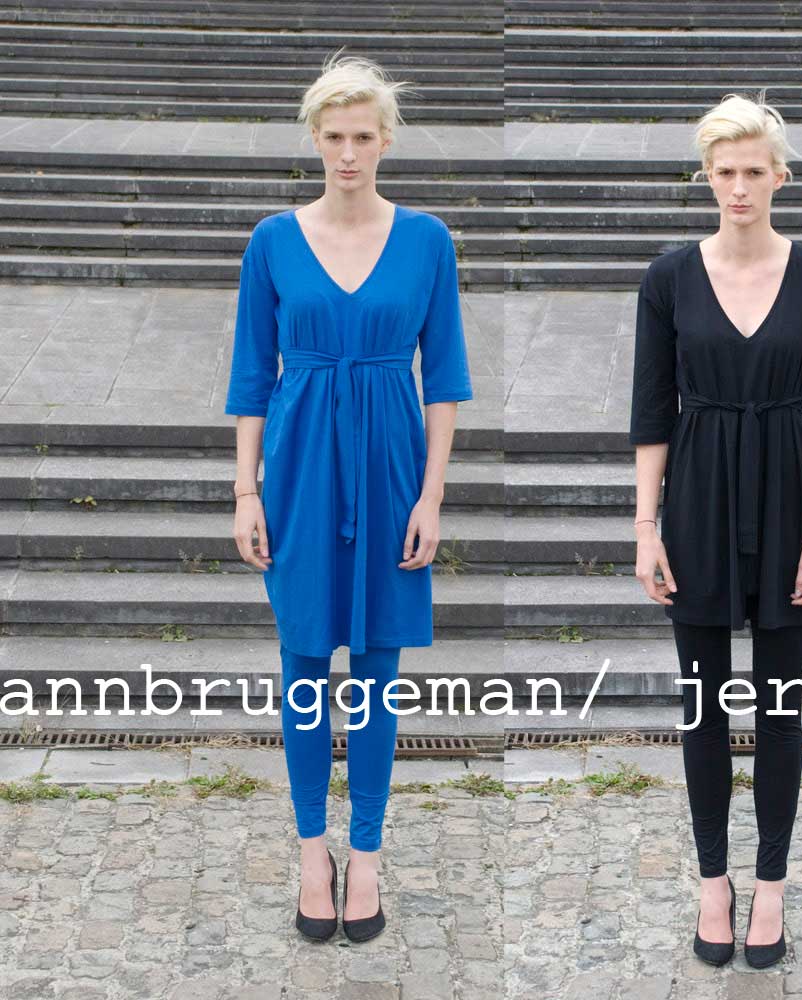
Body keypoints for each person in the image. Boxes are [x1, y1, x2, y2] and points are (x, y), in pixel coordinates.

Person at [224, 52, 473, 945]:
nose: (347, 153)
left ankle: (365, 854)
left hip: (392, 469)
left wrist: (432, 497)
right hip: (297, 470)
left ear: (386, 141)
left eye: (363, 136)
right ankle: (310, 852)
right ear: (314, 139)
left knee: (375, 669)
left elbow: (445, 379)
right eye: (333, 136)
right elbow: (251, 376)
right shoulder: (272, 241)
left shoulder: (428, 240)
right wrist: (245, 491)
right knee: (301, 665)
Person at [629, 91, 802, 969]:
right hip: (695, 498)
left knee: (778, 710)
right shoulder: (667, 278)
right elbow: (651, 414)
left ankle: (770, 885)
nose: (738, 187)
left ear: (779, 178)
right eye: (724, 172)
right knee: (701, 706)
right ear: (707, 177)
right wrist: (646, 526)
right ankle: (711, 882)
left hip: (787, 496)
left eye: (753, 172)